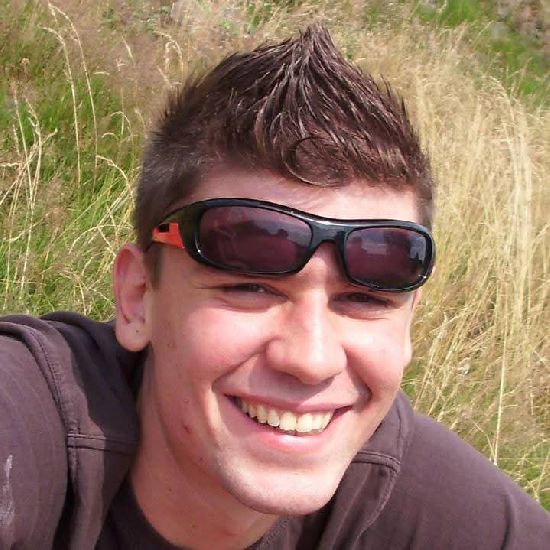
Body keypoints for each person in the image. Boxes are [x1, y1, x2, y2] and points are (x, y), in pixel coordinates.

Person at [0, 25, 548, 550]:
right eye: (251, 288)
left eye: (364, 298)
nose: (310, 360)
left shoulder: (433, 505)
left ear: (408, 327)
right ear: (139, 297)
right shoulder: (34, 420)